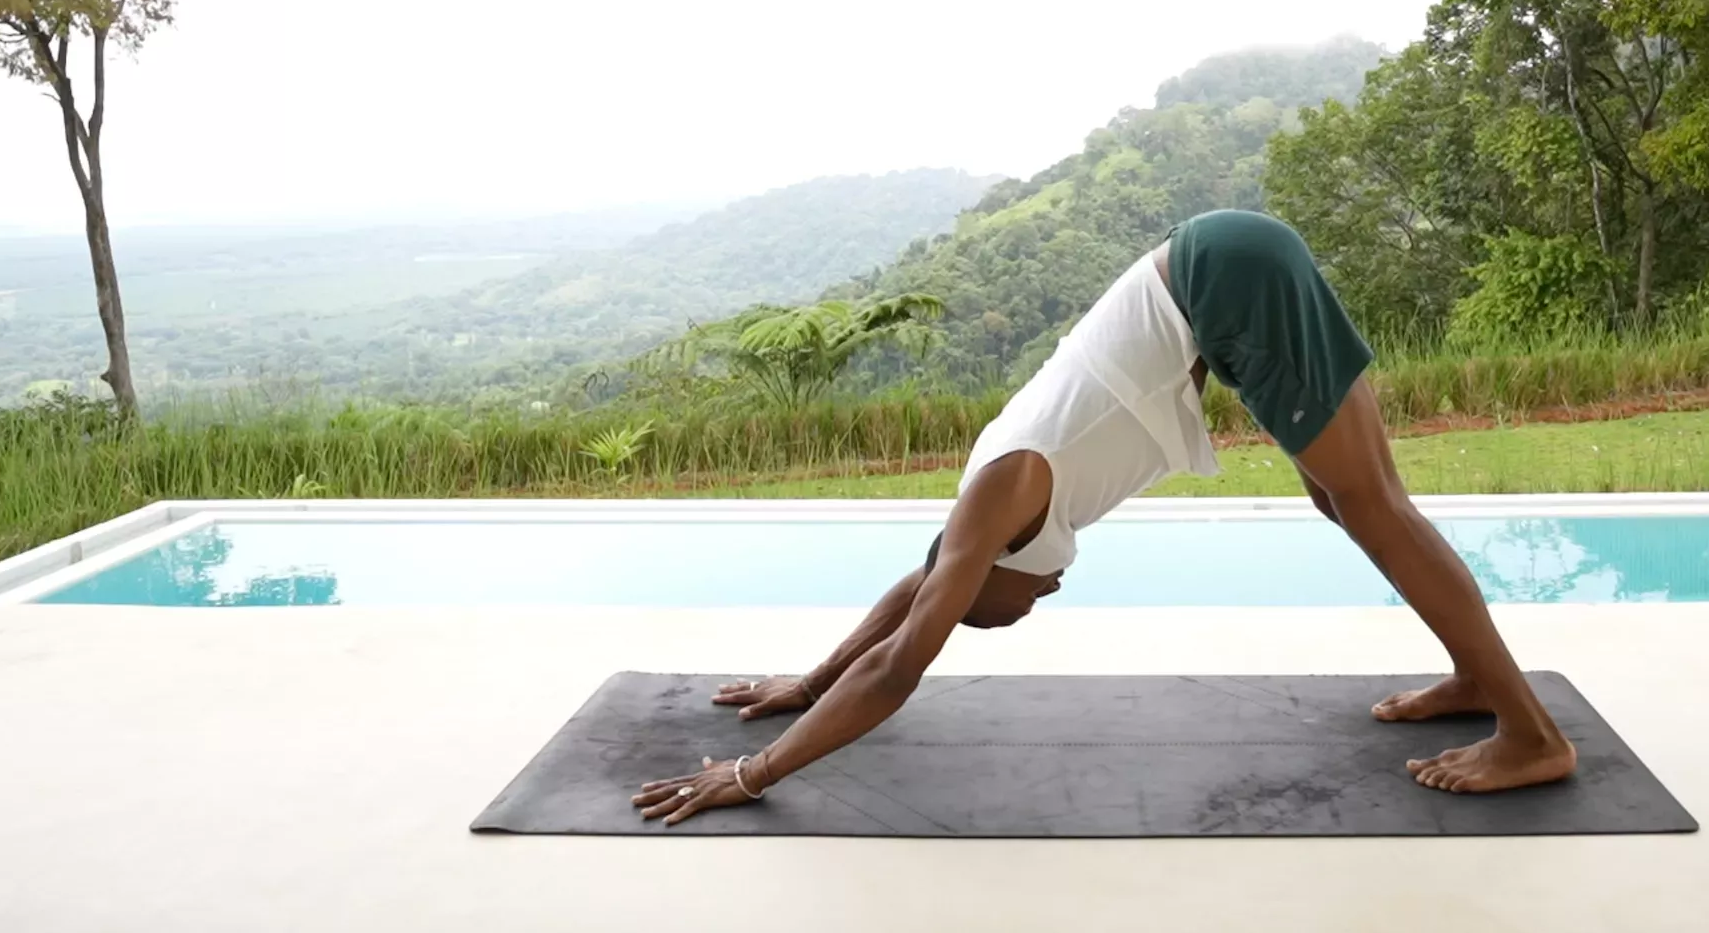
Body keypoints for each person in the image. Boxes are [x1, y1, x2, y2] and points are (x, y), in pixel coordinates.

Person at [633, 210, 1577, 825]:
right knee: (1344, 498)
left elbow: (903, 654)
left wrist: (751, 774)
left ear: (981, 571)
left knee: (1372, 505)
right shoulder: (989, 524)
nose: (1018, 612)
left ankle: (1531, 738)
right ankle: (1476, 677)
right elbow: (918, 593)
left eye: (989, 610)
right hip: (1221, 268)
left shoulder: (998, 499)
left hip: (1222, 278)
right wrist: (807, 678)